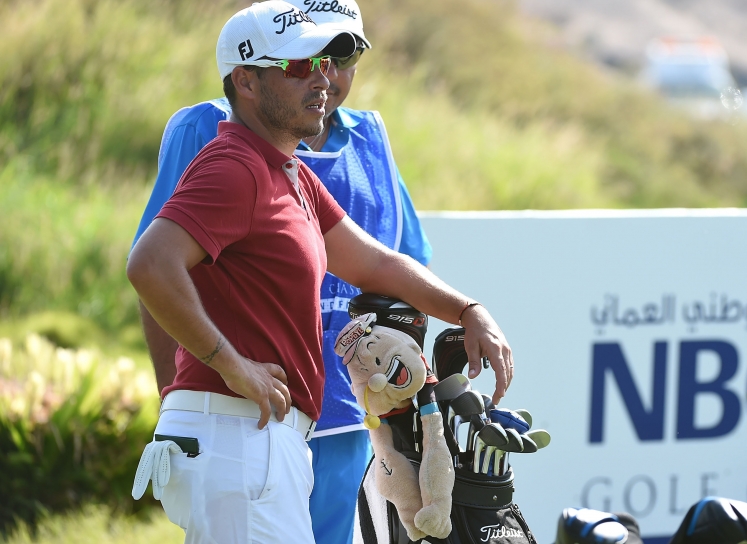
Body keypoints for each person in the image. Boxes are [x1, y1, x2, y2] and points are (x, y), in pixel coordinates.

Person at [126, 2, 514, 542]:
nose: (321, 79)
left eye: (326, 62)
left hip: (257, 438)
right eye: (298, 65)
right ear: (247, 81)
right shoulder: (235, 166)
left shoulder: (286, 172)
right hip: (240, 434)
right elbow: (149, 264)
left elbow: (375, 263)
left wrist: (468, 310)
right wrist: (232, 365)